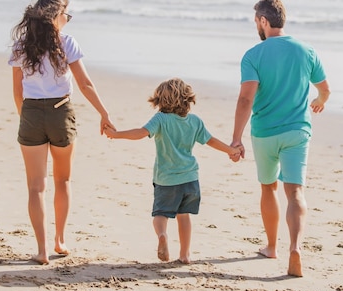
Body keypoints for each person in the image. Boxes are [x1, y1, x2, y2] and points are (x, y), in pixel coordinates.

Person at [9, 0, 115, 265]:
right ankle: (60, 240)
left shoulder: (22, 45)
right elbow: (85, 84)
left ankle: (42, 250)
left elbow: (17, 92)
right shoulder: (66, 42)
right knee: (62, 180)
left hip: (31, 112)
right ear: (56, 16)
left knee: (35, 187)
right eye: (66, 14)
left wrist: (27, 117)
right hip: (61, 112)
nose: (67, 19)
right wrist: (104, 113)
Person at [231, 0, 330, 277]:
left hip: (264, 133)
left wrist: (236, 139)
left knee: (268, 188)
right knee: (295, 191)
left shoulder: (254, 55)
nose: (256, 27)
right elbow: (325, 89)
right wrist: (320, 101)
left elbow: (245, 99)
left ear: (264, 21)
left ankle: (272, 246)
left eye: (256, 22)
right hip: (298, 131)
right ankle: (295, 248)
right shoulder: (306, 50)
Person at [103, 78, 242, 264]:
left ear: (160, 101)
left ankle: (162, 235)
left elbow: (140, 133)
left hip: (166, 179)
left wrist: (116, 135)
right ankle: (185, 255)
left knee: (160, 214)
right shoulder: (194, 121)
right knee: (184, 216)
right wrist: (231, 150)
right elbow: (211, 141)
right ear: (187, 99)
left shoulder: (161, 119)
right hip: (190, 179)